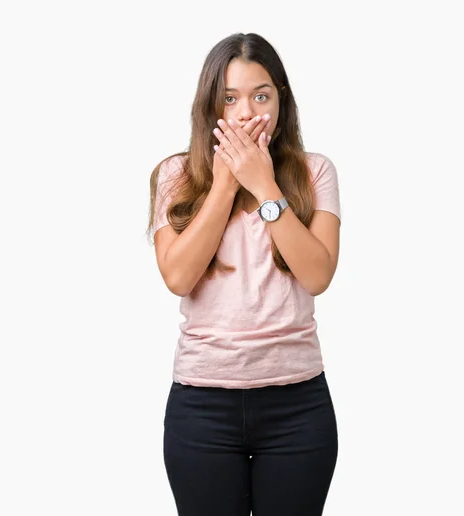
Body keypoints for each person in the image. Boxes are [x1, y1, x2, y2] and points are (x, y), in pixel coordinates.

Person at [146, 32, 341, 516]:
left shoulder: (314, 172)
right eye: (230, 98)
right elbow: (178, 277)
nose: (246, 111)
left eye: (261, 95)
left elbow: (318, 275)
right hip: (202, 407)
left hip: (298, 407)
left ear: (281, 101)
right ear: (211, 105)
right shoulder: (175, 175)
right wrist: (226, 183)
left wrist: (265, 184)